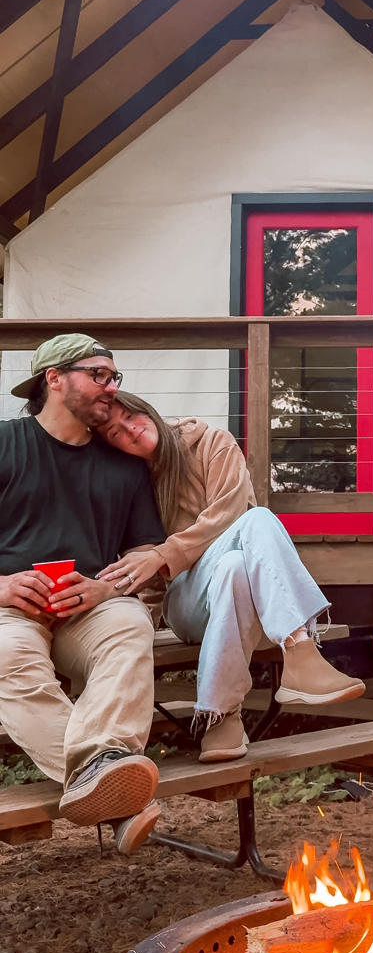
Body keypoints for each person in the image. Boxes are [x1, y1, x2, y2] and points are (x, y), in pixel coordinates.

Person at [95, 393, 365, 764]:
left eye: (131, 416)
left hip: (243, 592)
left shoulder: (213, 443)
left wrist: (162, 556)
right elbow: (142, 566)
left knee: (235, 562)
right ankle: (300, 650)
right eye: (115, 433)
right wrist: (142, 619)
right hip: (186, 605)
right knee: (258, 521)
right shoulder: (131, 481)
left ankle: (221, 717)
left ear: (148, 411)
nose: (130, 429)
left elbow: (229, 515)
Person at [0, 335, 167, 856]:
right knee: (7, 654)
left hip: (87, 608)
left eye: (115, 377)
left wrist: (106, 587)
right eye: (98, 375)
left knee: (130, 624)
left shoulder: (124, 465)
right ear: (54, 378)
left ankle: (101, 777)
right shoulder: (4, 443)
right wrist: (1, 585)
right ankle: (113, 790)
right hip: (9, 610)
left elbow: (145, 552)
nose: (111, 387)